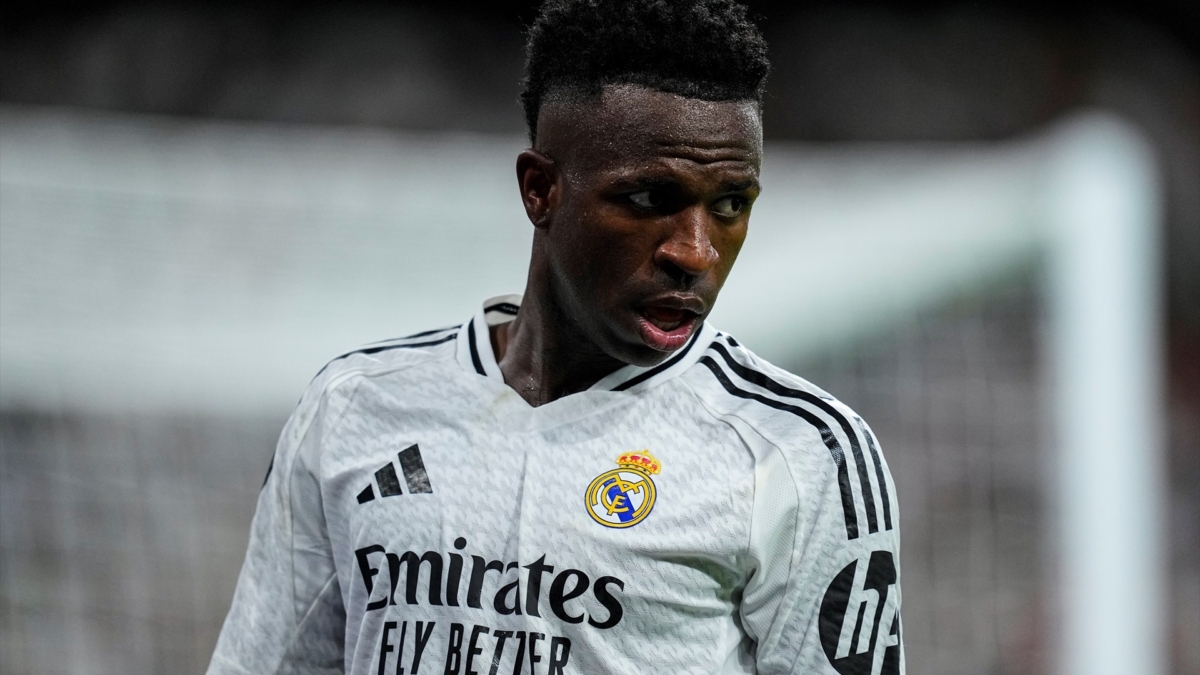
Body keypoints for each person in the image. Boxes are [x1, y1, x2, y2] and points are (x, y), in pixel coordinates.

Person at [208, 1, 904, 673]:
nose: (695, 251)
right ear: (541, 190)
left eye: (729, 205)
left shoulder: (801, 452)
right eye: (649, 199)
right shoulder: (353, 408)